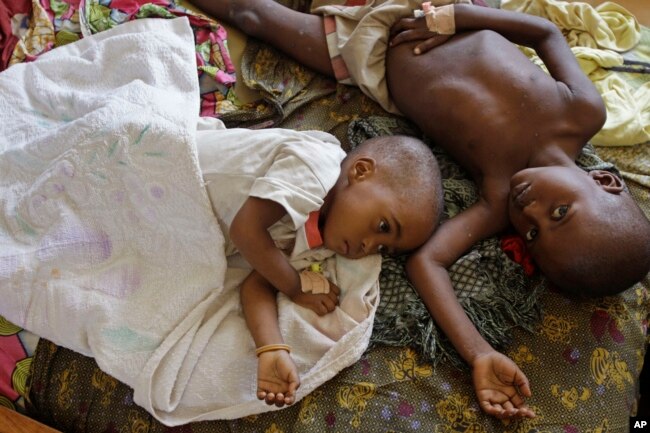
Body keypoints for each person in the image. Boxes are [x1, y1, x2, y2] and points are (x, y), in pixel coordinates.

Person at [192, 0, 650, 420]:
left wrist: (479, 353)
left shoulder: (496, 198)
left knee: (253, 16)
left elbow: (426, 262)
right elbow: (545, 34)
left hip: (367, 53)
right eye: (559, 213)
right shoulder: (584, 113)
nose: (529, 211)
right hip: (435, 8)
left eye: (532, 234)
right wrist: (456, 17)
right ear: (605, 181)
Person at [195, 119, 442, 407]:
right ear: (360, 171)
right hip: (178, 170)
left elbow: (258, 284)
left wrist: (272, 348)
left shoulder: (318, 243)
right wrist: (295, 287)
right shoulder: (316, 166)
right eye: (384, 226)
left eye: (384, 248)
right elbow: (246, 231)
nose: (369, 247)